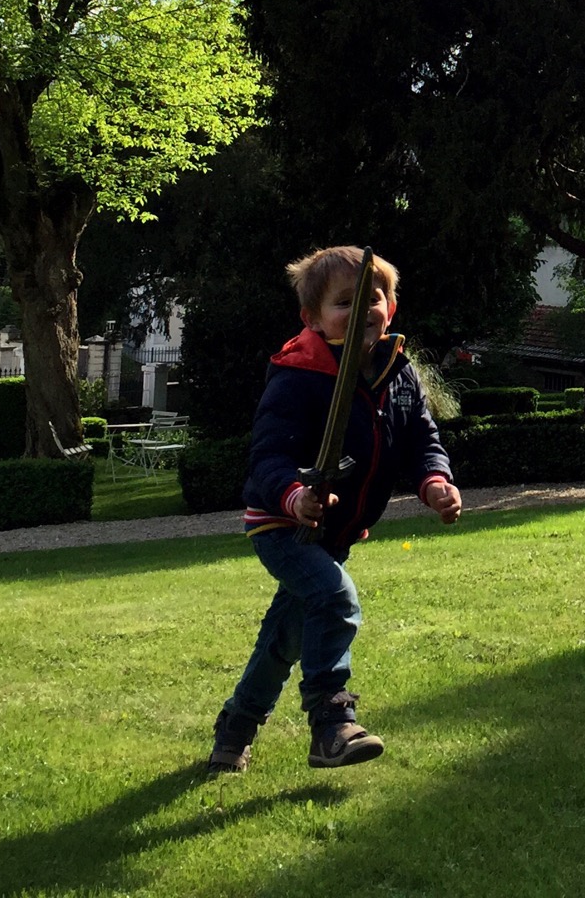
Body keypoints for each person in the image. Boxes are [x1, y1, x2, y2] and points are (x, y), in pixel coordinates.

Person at [207, 245, 463, 773]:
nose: (362, 309)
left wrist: (435, 481)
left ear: (391, 307)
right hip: (283, 524)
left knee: (285, 638)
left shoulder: (397, 373)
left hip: (338, 532)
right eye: (345, 302)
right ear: (313, 318)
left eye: (373, 298)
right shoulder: (298, 374)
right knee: (334, 595)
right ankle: (331, 722)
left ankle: (234, 730)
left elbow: (421, 440)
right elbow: (269, 457)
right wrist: (295, 495)